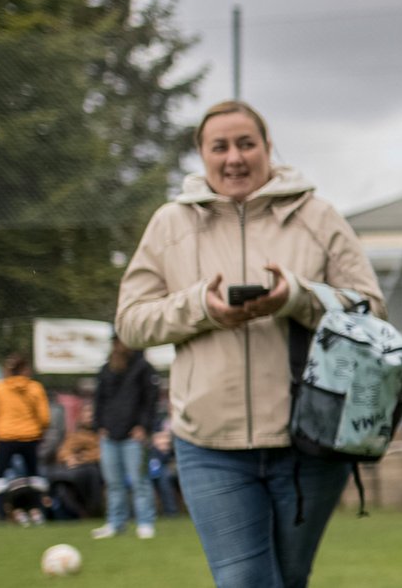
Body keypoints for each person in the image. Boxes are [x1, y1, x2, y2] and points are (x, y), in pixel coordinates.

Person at [117, 100, 386, 588]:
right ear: (202, 155)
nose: (234, 157)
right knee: (244, 580)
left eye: (246, 144)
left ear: (267, 149)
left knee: (289, 577)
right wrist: (202, 308)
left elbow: (371, 308)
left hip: (309, 441)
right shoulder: (169, 224)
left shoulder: (318, 217)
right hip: (209, 444)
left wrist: (297, 298)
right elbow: (131, 321)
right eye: (219, 146)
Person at [89, 335, 160, 538]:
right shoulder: (106, 369)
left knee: (140, 481)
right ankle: (115, 523)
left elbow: (150, 401)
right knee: (113, 483)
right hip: (109, 434)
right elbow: (99, 400)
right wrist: (99, 425)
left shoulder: (144, 368)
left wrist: (143, 427)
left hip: (134, 436)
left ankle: (145, 522)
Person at [0, 353, 49, 481]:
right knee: (33, 475)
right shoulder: (35, 388)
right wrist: (40, 431)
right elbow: (44, 417)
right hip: (30, 438)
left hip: (5, 438)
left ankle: (0, 501)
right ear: (25, 369)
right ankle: (35, 500)